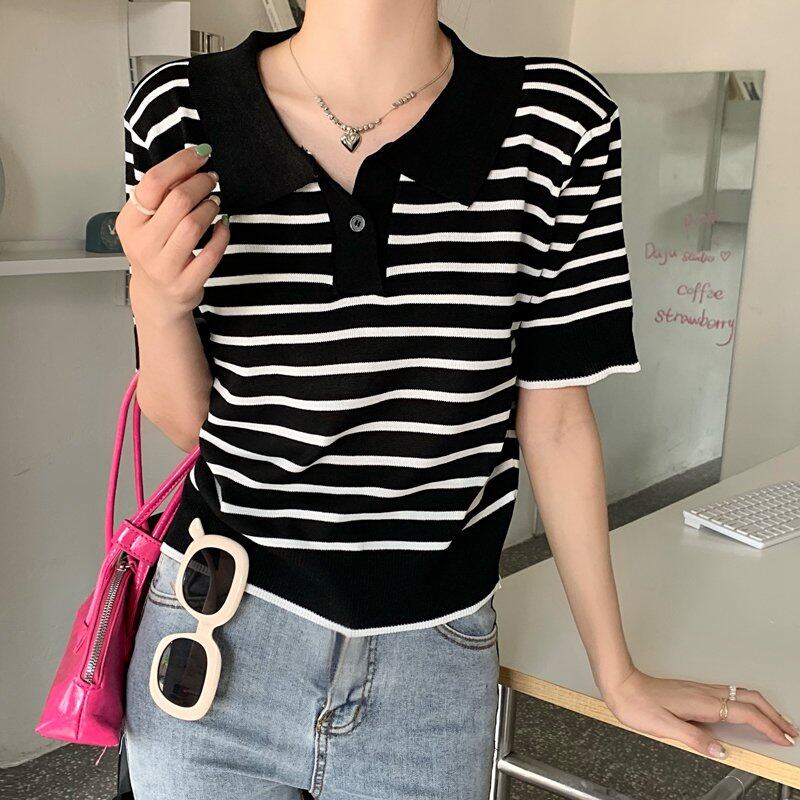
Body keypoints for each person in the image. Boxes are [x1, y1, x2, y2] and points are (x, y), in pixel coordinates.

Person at [115, 2, 798, 798]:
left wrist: (618, 672)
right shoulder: (180, 110)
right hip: (212, 644)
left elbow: (556, 420)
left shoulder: (557, 122)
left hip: (431, 668)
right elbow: (190, 424)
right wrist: (156, 305)